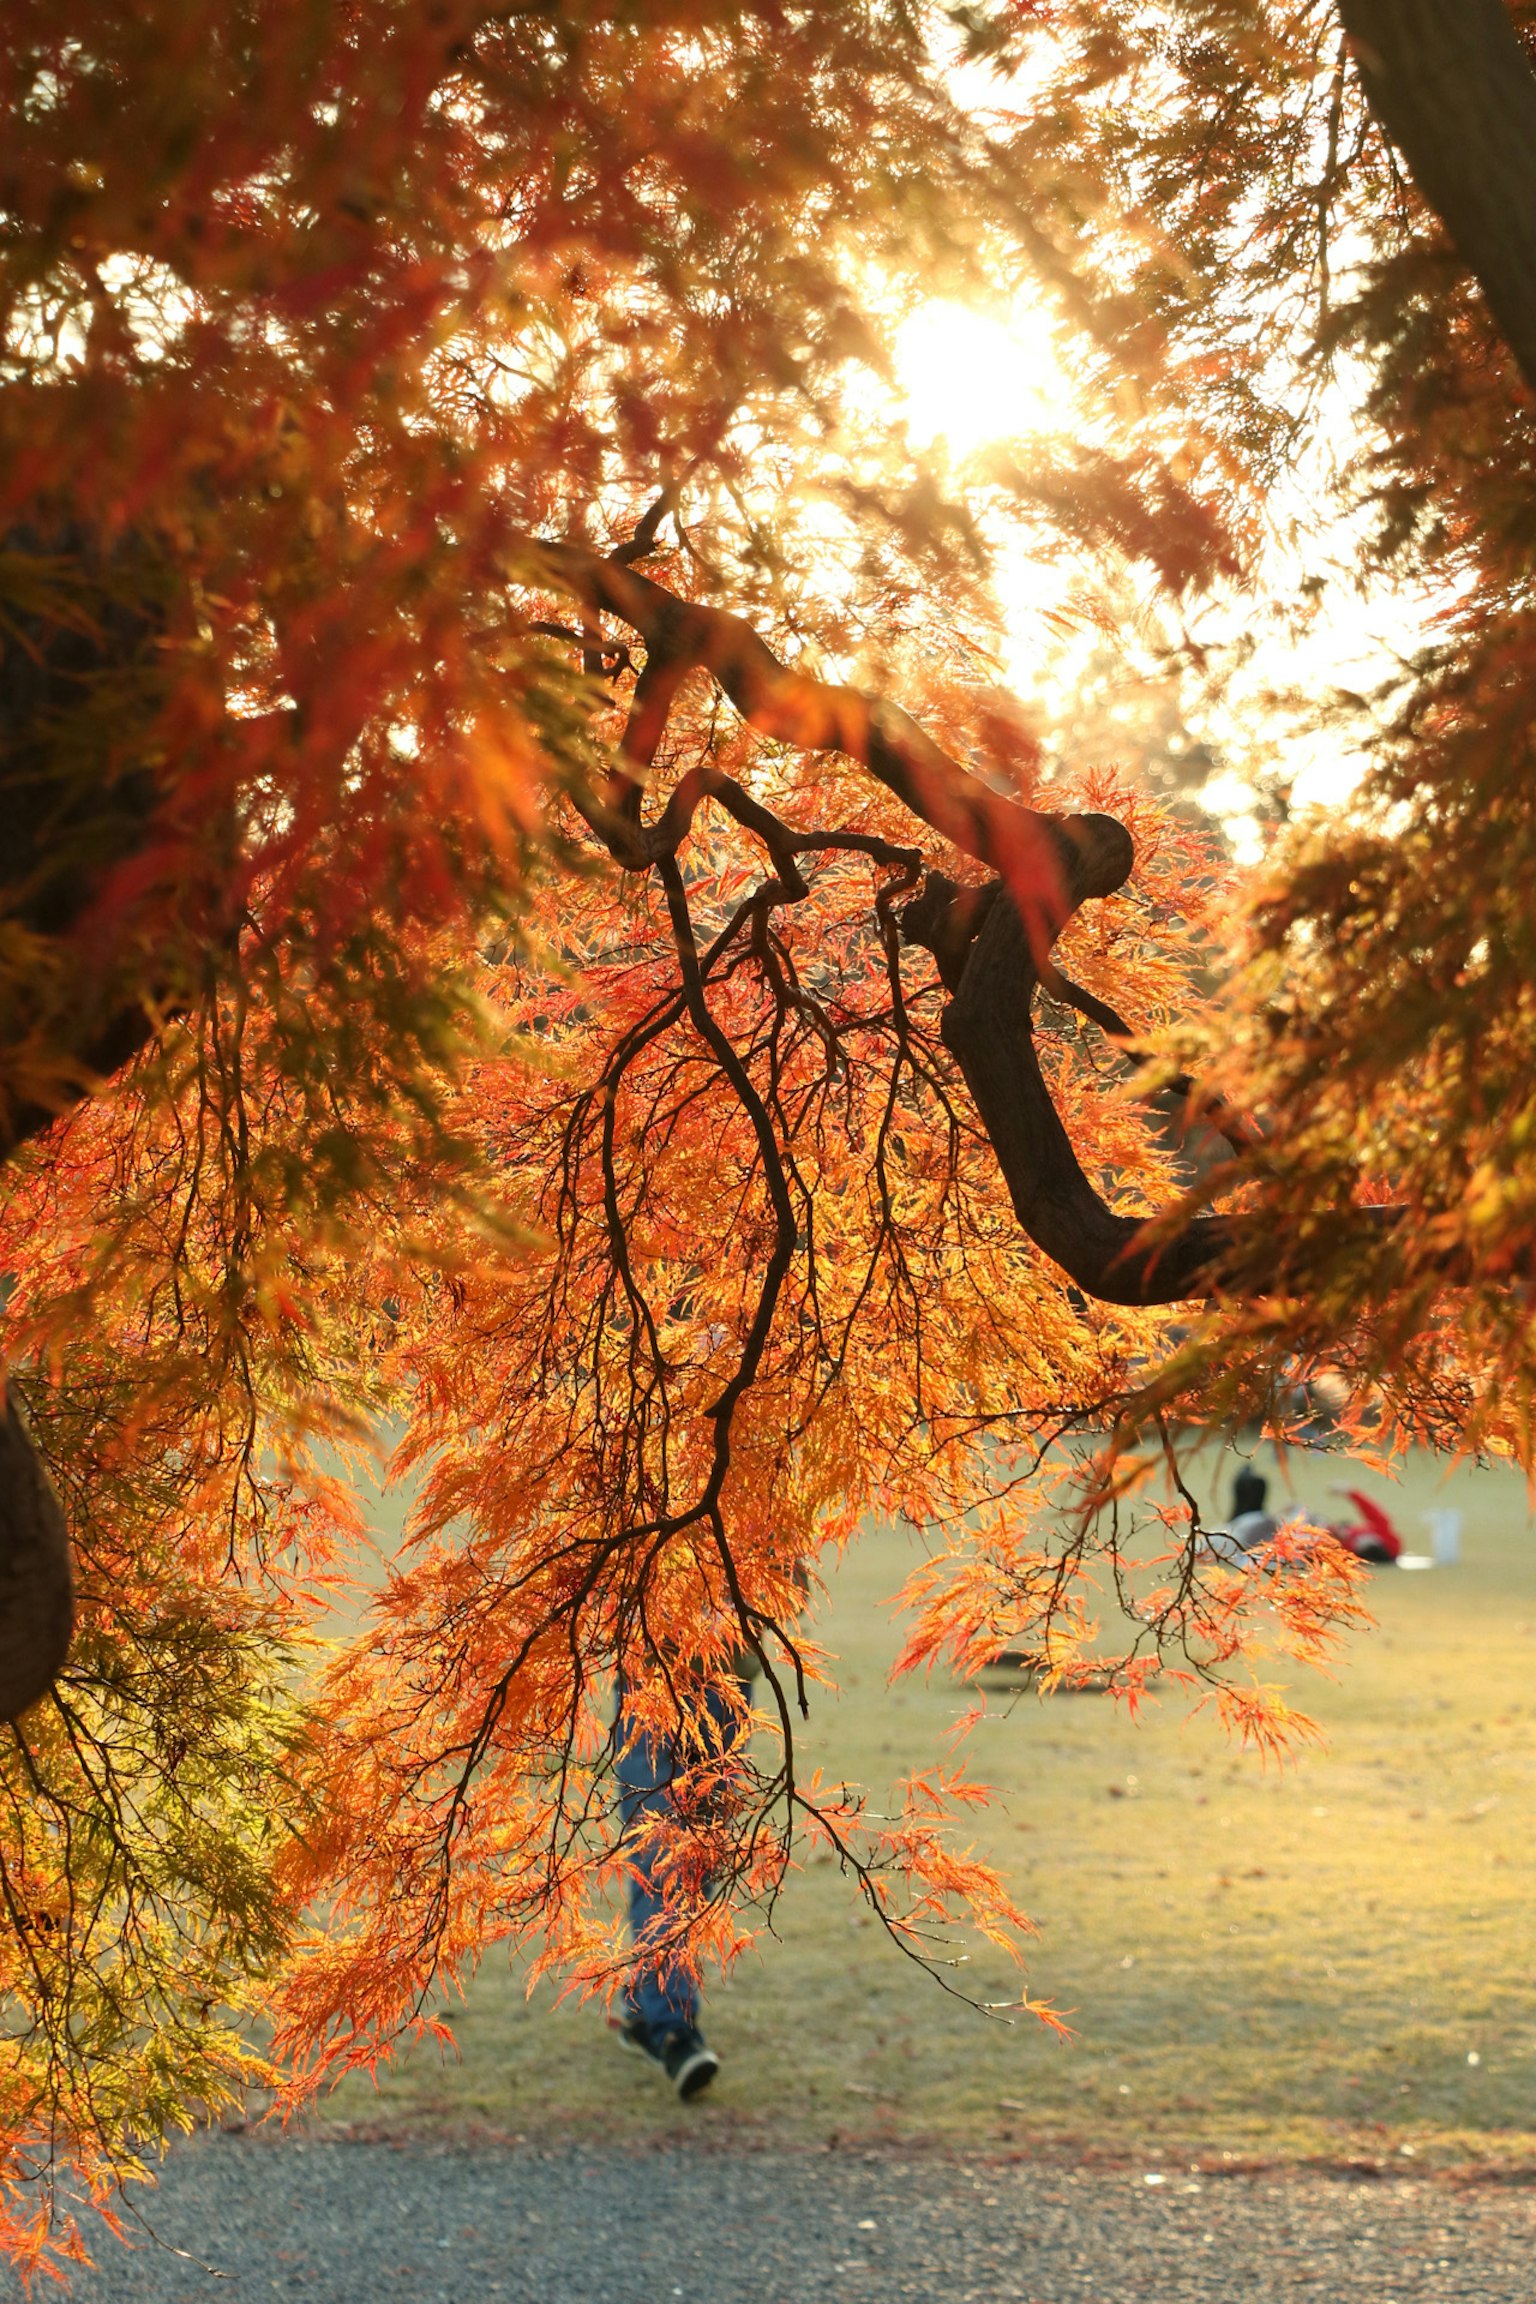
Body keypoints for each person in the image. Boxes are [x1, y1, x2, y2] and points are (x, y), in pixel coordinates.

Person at [612, 1658, 755, 2102]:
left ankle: (647, 2003)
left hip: (726, 1681)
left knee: (698, 1861)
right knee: (662, 1857)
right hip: (653, 1677)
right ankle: (670, 2030)